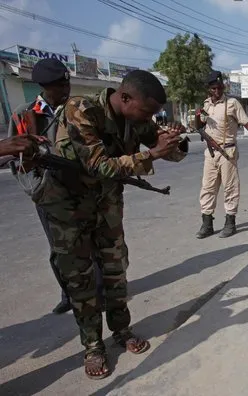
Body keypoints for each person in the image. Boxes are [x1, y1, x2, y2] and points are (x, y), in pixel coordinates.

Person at [33, 70, 188, 379]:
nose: (149, 118)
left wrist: (174, 142)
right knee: (81, 280)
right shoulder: (82, 109)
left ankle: (121, 330)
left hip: (107, 206)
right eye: (147, 111)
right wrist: (152, 154)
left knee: (116, 270)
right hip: (69, 209)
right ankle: (92, 346)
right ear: (126, 97)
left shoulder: (136, 117)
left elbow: (164, 148)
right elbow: (100, 164)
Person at [8, 58, 104, 315]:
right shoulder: (24, 114)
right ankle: (68, 294)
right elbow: (15, 159)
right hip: (49, 193)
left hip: (81, 186)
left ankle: (97, 292)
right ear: (44, 86)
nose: (66, 89)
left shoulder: (77, 109)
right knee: (58, 248)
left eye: (67, 82)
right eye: (59, 85)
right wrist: (37, 189)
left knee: (90, 242)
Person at [195, 70, 248, 239]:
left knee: (230, 188)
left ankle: (230, 222)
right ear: (209, 89)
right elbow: (199, 126)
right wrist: (197, 116)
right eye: (214, 88)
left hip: (227, 151)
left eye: (220, 87)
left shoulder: (232, 103)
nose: (217, 91)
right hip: (210, 153)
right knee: (208, 188)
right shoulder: (206, 105)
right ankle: (207, 223)